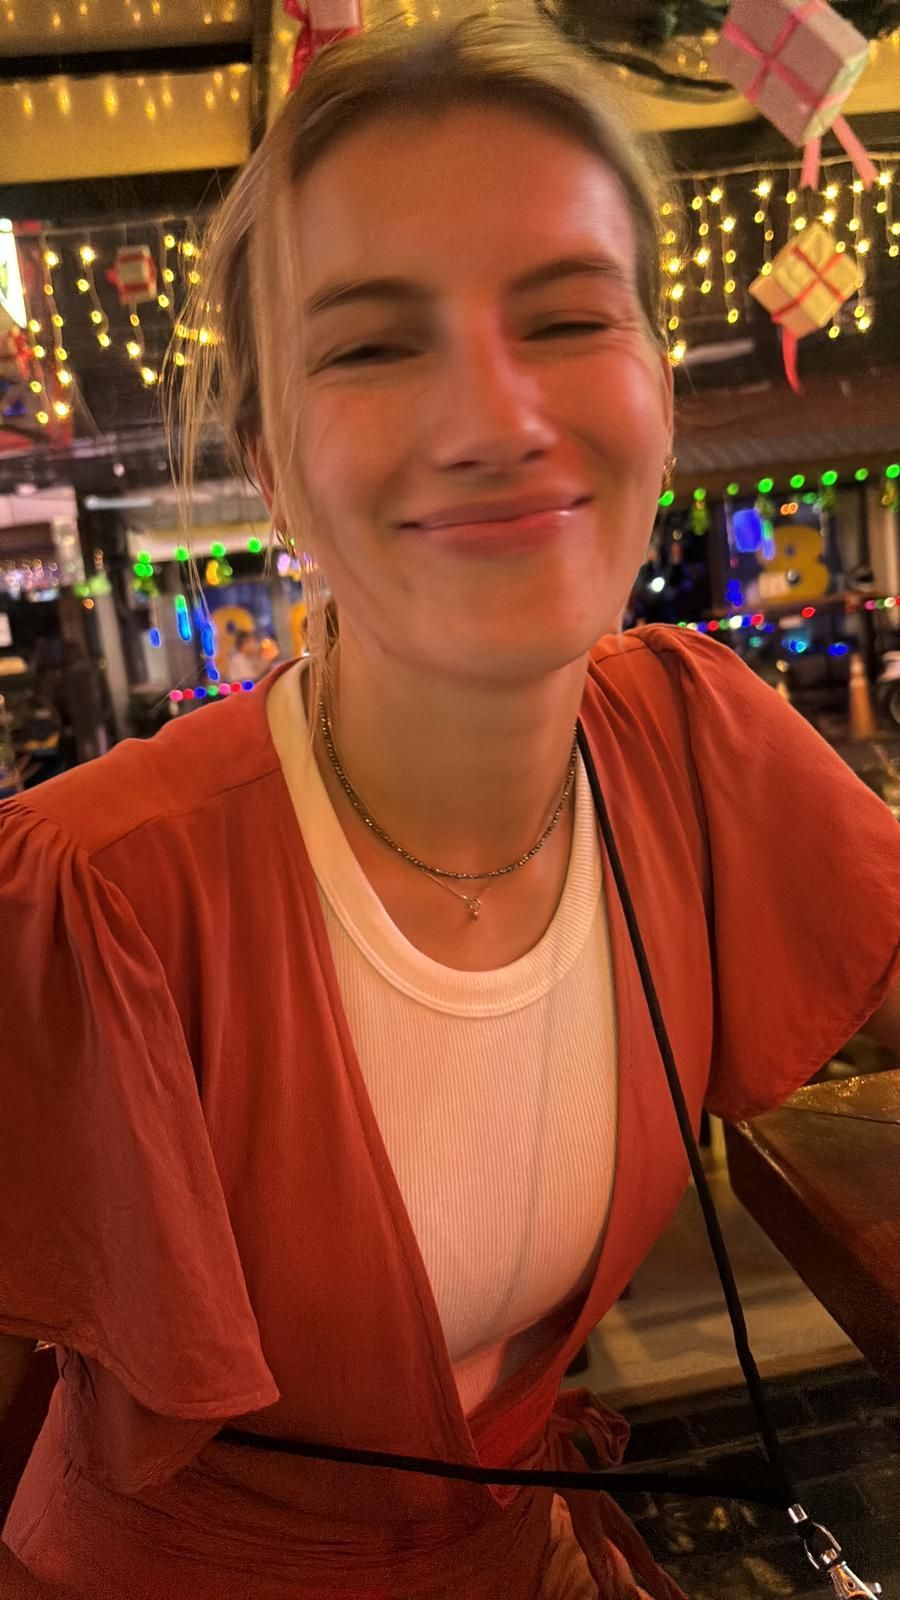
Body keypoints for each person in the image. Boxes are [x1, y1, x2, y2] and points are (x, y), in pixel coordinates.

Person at [1, 14, 899, 1600]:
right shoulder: (97, 890)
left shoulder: (696, 742)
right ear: (271, 464)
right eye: (370, 345)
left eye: (566, 316)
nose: (495, 418)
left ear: (657, 383)